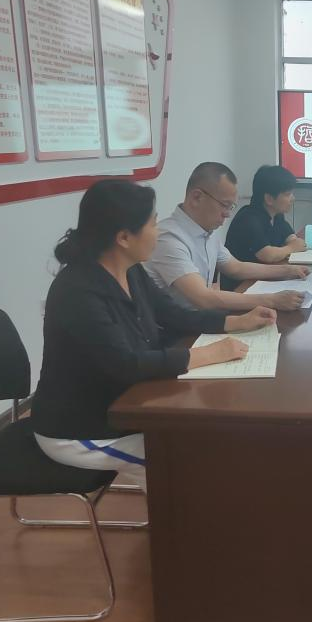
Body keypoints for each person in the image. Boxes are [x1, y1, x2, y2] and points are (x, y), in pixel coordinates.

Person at [31, 179, 276, 487]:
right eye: (152, 224)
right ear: (123, 237)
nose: (157, 232)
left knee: (207, 440)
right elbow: (127, 363)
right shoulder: (78, 292)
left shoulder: (130, 269)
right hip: (81, 428)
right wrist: (208, 354)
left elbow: (172, 314)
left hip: (129, 403)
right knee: (180, 459)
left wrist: (235, 322)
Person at [145, 162, 311, 312]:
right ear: (197, 197)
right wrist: (272, 300)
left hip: (200, 319)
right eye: (225, 205)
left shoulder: (206, 231)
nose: (228, 214)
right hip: (177, 330)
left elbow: (236, 268)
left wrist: (287, 271)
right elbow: (204, 298)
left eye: (231, 206)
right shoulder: (168, 238)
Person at [225, 164, 308, 264]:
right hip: (244, 274)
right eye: (287, 194)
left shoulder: (277, 215)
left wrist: (293, 244)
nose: (293, 198)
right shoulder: (248, 219)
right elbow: (267, 255)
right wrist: (291, 248)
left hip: (264, 271)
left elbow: (291, 238)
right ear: (269, 199)